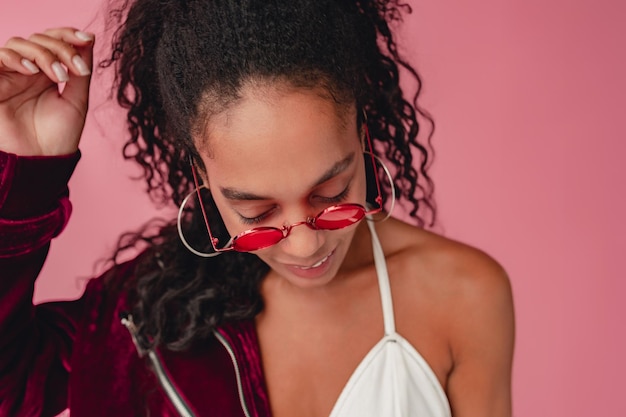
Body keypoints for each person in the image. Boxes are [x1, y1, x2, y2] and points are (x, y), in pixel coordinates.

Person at [0, 0, 515, 416]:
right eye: (257, 213)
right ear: (203, 178)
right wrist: (26, 176)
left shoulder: (465, 294)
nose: (306, 243)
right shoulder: (144, 316)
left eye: (332, 193)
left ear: (362, 137)